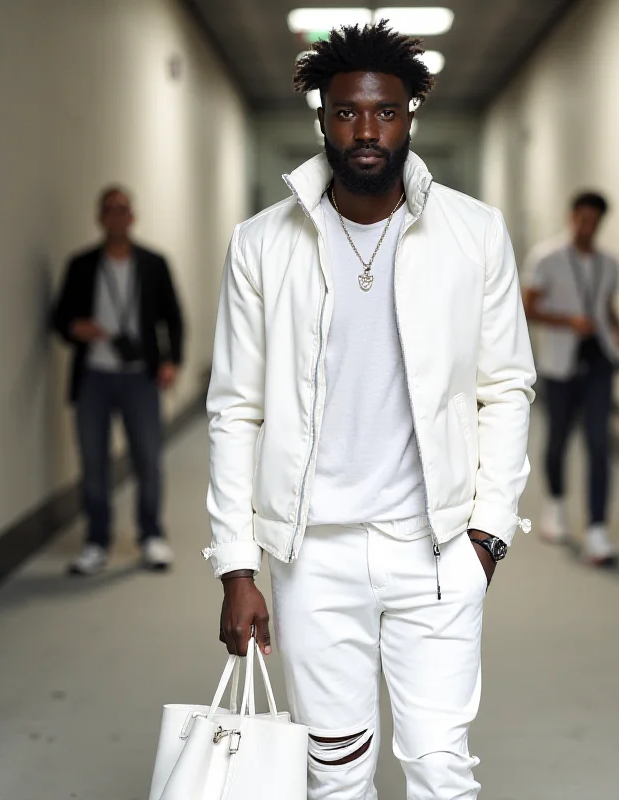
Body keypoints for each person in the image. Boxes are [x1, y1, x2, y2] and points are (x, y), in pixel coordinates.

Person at [203, 21, 535, 800]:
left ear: (410, 114)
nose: (366, 129)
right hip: (313, 554)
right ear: (322, 117)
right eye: (348, 112)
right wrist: (237, 567)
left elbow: (505, 387)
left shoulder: (474, 234)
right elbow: (235, 411)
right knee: (334, 775)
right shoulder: (262, 244)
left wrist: (486, 538)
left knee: (441, 767)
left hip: (438, 550)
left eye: (384, 112)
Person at [52, 186, 184, 576]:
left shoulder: (153, 264)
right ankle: (96, 542)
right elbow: (60, 318)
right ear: (100, 217)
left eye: (123, 209)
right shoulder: (82, 264)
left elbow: (172, 318)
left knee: (147, 458)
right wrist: (77, 328)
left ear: (132, 216)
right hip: (93, 377)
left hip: (140, 377)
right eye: (109, 209)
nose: (116, 216)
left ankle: (151, 536)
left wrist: (171, 361)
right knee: (93, 463)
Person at [522, 191, 619, 565]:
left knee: (600, 443)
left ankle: (598, 530)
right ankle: (555, 504)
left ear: (600, 222)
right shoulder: (546, 258)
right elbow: (528, 307)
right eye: (582, 218)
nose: (587, 225)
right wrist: (568, 321)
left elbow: (606, 305)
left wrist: (617, 326)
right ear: (571, 217)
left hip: (599, 361)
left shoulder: (610, 263)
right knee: (556, 441)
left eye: (594, 220)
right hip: (559, 365)